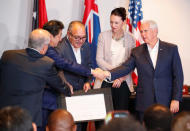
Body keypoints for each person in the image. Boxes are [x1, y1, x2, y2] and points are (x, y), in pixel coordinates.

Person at [101, 20, 184, 120]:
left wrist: (176, 99)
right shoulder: (137, 51)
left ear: (155, 31)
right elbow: (125, 67)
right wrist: (108, 73)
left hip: (165, 101)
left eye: (145, 31)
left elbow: (178, 76)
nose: (143, 34)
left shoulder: (171, 49)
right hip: (144, 103)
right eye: (141, 32)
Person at [0, 29, 70, 128]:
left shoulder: (8, 55)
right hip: (28, 119)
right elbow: (60, 86)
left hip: (4, 116)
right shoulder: (46, 63)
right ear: (44, 48)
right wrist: (68, 90)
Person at [96, 7, 135, 110]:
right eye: (111, 22)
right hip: (105, 79)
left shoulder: (131, 38)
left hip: (123, 80)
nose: (113, 25)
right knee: (104, 114)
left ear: (124, 22)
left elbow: (132, 62)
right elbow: (99, 60)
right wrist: (115, 74)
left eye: (116, 23)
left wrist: (120, 77)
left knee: (120, 115)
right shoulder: (102, 36)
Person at [55, 21, 91, 131]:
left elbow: (89, 66)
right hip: (67, 93)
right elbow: (58, 71)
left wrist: (88, 81)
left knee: (82, 125)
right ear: (69, 34)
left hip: (83, 93)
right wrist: (65, 84)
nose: (80, 41)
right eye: (77, 38)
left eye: (83, 37)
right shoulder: (60, 48)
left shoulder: (86, 46)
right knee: (69, 126)